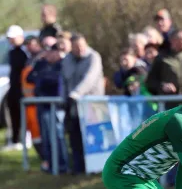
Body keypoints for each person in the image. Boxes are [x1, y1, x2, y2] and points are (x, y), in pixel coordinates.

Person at [61, 34, 105, 174]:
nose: (79, 49)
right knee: (75, 137)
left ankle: (96, 169)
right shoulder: (67, 59)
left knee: (93, 138)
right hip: (73, 106)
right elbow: (64, 80)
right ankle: (79, 168)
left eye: (81, 45)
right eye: (75, 47)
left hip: (92, 105)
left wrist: (75, 94)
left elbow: (89, 79)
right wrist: (64, 99)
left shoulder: (94, 57)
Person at [27, 43, 69, 174]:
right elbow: (30, 78)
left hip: (55, 106)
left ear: (57, 52)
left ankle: (62, 165)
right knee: (46, 137)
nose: (48, 55)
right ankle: (50, 164)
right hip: (42, 105)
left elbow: (54, 80)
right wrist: (42, 76)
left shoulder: (62, 64)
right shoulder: (41, 63)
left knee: (57, 136)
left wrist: (42, 76)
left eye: (51, 52)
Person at [146, 30, 182, 109]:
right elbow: (150, 82)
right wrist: (162, 86)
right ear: (173, 41)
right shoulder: (162, 58)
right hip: (170, 106)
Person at [3, 26, 28, 151]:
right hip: (13, 87)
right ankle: (15, 139)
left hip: (24, 88)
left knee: (24, 113)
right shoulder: (12, 52)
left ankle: (25, 138)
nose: (11, 41)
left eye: (13, 38)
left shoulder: (25, 52)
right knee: (13, 112)